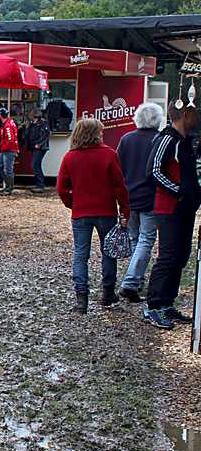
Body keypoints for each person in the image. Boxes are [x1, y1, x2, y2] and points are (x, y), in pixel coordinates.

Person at [57, 118, 130, 314]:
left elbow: (62, 188)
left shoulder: (70, 157)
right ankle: (108, 293)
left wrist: (72, 204)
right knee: (108, 252)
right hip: (106, 211)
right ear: (94, 134)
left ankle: (82, 300)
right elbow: (120, 187)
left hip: (81, 212)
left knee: (81, 255)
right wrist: (125, 211)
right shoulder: (109, 155)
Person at [143, 102, 201, 329]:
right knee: (167, 257)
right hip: (169, 208)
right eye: (194, 112)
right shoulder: (167, 139)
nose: (197, 116)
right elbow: (153, 171)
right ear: (185, 114)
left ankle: (166, 302)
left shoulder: (185, 141)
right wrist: (178, 191)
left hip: (185, 208)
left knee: (180, 256)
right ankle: (153, 306)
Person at [117, 103, 164, 303]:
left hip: (129, 197)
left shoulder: (126, 139)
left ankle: (137, 280)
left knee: (135, 239)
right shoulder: (159, 139)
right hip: (150, 197)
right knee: (146, 239)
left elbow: (118, 169)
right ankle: (130, 282)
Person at [23, 108, 50, 193]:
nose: (33, 119)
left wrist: (39, 144)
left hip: (40, 147)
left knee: (35, 165)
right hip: (35, 147)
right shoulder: (33, 124)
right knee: (36, 165)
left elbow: (46, 135)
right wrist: (27, 127)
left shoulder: (44, 123)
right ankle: (39, 184)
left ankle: (40, 184)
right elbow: (26, 135)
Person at [0, 108, 19, 195]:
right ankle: (8, 185)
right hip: (6, 149)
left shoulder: (7, 125)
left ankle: (9, 188)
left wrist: (5, 148)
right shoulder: (9, 122)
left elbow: (10, 139)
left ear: (0, 115)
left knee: (8, 170)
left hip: (9, 150)